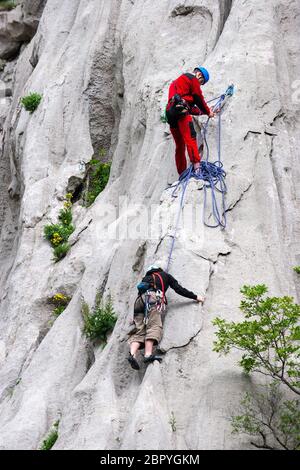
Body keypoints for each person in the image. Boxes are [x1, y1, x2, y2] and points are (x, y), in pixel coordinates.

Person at [127, 265, 204, 370]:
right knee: (154, 326)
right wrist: (195, 297)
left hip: (139, 302)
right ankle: (148, 354)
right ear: (160, 269)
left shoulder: (146, 279)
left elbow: (140, 296)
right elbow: (178, 289)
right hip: (152, 298)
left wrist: (133, 318)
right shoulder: (166, 275)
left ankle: (132, 354)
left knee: (140, 331)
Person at [166, 66, 215, 175]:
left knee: (180, 146)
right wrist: (208, 112)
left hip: (171, 113)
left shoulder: (176, 83)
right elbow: (199, 98)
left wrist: (203, 112)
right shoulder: (192, 79)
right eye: (201, 82)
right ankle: (197, 169)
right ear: (200, 76)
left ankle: (182, 173)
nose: (200, 84)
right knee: (190, 138)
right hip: (181, 112)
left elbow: (191, 107)